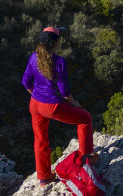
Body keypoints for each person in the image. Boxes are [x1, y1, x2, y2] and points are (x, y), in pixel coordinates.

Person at [23, 26, 93, 182]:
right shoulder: (59, 62)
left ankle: (44, 178)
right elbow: (64, 90)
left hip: (35, 104)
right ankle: (85, 157)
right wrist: (74, 102)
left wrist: (36, 95)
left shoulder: (33, 57)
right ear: (55, 43)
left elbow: (26, 82)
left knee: (40, 140)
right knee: (85, 119)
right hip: (51, 106)